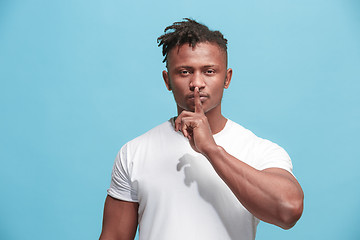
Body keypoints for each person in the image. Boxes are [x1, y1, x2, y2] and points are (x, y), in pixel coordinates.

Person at [99, 18, 304, 240]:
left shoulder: (260, 151)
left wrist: (211, 150)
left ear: (227, 78)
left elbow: (288, 210)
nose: (197, 82)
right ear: (167, 81)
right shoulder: (134, 152)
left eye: (209, 71)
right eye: (185, 72)